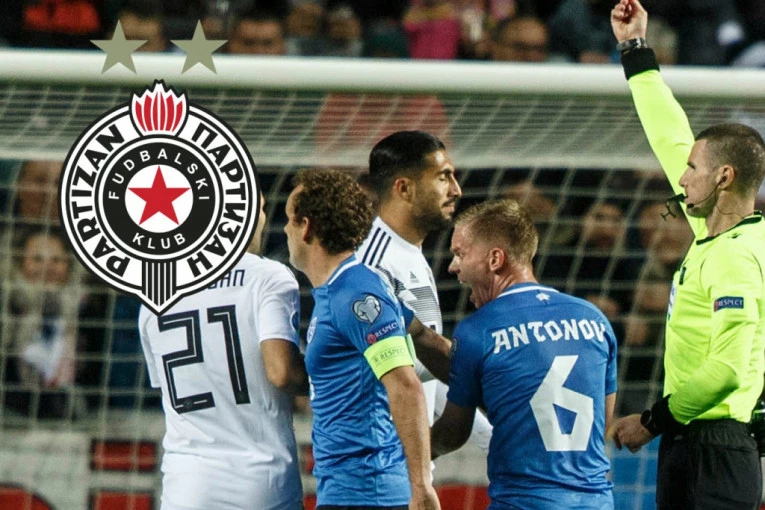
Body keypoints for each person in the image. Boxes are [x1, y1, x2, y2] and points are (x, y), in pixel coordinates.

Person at [609, 1, 765, 508]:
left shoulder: (736, 258)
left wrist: (650, 421)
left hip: (714, 447)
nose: (681, 176)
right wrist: (635, 49)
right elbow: (669, 132)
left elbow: (728, 369)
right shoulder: (713, 230)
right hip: (698, 441)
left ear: (724, 178)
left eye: (693, 168)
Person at [430, 198, 617, 509]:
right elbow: (603, 423)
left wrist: (411, 451)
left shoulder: (478, 330)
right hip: (595, 502)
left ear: (495, 259)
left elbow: (452, 434)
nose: (453, 266)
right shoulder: (595, 319)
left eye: (460, 254)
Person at [284, 168, 439, 510]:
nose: (285, 230)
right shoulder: (343, 289)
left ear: (306, 226)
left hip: (368, 491)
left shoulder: (355, 293)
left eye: (289, 219)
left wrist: (421, 487)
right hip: (350, 489)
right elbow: (423, 336)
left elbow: (405, 384)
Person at [138, 194, 306, 510]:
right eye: (259, 208)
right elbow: (283, 373)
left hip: (186, 486)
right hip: (262, 482)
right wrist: (339, 375)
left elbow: (167, 393)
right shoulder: (268, 277)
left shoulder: (155, 295)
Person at [358, 130, 493, 454]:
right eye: (443, 177)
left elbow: (427, 371)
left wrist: (493, 437)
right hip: (378, 468)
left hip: (404, 467)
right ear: (404, 188)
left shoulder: (409, 253)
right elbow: (377, 374)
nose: (456, 190)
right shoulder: (371, 266)